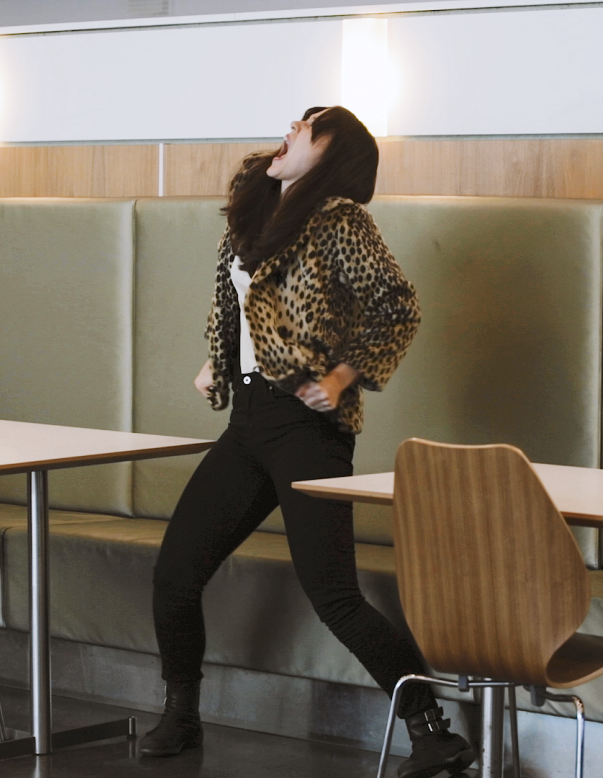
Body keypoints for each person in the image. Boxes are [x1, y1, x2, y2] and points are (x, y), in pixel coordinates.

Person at [141, 105, 475, 778]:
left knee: (334, 598)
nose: (291, 129)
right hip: (248, 422)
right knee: (175, 573)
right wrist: (217, 363)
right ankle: (182, 714)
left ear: (330, 153)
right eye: (296, 121)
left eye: (308, 126)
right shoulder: (257, 214)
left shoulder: (340, 220)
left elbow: (397, 305)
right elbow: (235, 309)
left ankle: (432, 732)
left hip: (305, 427)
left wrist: (343, 376)